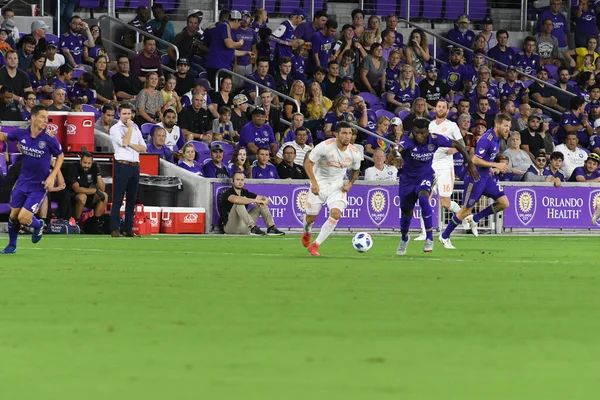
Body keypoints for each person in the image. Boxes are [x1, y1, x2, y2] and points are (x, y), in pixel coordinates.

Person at [395, 117, 475, 255]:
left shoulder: (435, 139)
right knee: (406, 212)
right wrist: (396, 156)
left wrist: (470, 163)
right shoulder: (408, 139)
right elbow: (397, 149)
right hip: (407, 180)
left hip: (426, 176)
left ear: (428, 131)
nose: (419, 135)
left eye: (422, 133)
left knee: (424, 199)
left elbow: (457, 143)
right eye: (417, 132)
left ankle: (429, 237)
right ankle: (404, 238)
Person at [440, 114, 513, 247]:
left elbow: (485, 158)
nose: (508, 129)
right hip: (475, 179)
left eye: (509, 126)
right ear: (498, 125)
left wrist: (489, 166)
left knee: (504, 203)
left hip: (486, 177)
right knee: (465, 210)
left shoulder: (497, 139)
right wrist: (495, 165)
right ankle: (444, 236)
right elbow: (474, 159)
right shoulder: (487, 138)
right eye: (505, 126)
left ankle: (475, 218)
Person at [0, 105, 64, 254]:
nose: (45, 121)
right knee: (14, 215)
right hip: (23, 181)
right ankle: (12, 246)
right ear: (33, 118)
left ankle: (38, 225)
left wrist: (52, 175)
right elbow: (4, 137)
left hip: (39, 185)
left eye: (47, 118)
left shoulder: (49, 138)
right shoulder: (21, 133)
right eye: (42, 117)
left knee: (23, 218)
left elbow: (60, 156)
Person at [302, 122, 363, 256]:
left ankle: (315, 245)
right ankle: (307, 230)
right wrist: (313, 182)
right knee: (311, 218)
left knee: (336, 214)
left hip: (337, 186)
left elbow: (355, 171)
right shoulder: (324, 147)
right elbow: (308, 163)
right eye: (344, 133)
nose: (348, 137)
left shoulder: (355, 153)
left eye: (350, 133)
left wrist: (350, 184)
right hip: (319, 183)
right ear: (336, 134)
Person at [109, 103, 146, 238]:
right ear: (119, 114)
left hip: (135, 165)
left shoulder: (136, 128)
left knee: (132, 199)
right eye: (124, 114)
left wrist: (130, 144)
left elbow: (143, 148)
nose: (127, 116)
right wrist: (129, 129)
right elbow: (124, 143)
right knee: (118, 198)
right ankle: (114, 229)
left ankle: (128, 228)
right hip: (122, 165)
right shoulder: (115, 129)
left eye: (129, 114)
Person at [219, 171, 285, 235]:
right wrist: (256, 201)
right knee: (238, 204)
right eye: (237, 179)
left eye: (242, 180)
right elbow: (236, 200)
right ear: (233, 181)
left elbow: (261, 198)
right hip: (230, 227)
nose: (240, 182)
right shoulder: (228, 192)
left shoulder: (245, 192)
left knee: (260, 205)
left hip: (244, 226)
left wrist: (265, 199)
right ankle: (253, 227)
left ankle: (271, 227)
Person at [64, 152, 108, 225]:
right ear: (80, 161)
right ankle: (76, 223)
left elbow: (102, 189)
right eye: (84, 163)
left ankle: (95, 223)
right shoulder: (72, 168)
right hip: (71, 197)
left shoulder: (93, 169)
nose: (86, 165)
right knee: (82, 196)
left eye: (89, 163)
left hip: (87, 196)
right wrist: (95, 191)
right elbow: (76, 189)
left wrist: (98, 173)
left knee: (104, 196)